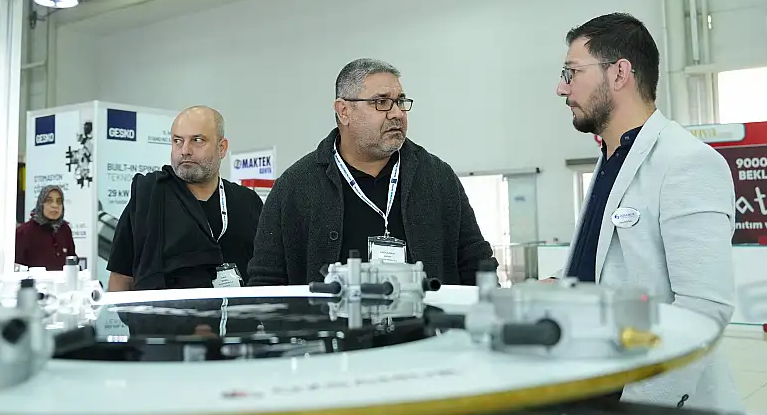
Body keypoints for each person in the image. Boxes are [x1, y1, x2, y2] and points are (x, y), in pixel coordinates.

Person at [556, 13, 745, 415]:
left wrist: (647, 409)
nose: (562, 87)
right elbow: (614, 272)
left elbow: (706, 305)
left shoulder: (687, 162)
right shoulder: (611, 162)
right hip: (602, 404)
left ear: (619, 73)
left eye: (572, 71)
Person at [249, 58, 493, 286]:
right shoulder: (295, 186)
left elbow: (476, 263)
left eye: (400, 102)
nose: (397, 113)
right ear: (344, 111)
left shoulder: (437, 177)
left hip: (424, 319)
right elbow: (266, 281)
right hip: (330, 320)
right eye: (381, 102)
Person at [106, 106, 263, 291]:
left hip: (238, 310)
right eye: (177, 141)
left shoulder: (248, 202)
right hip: (163, 310)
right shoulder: (148, 198)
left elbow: (264, 273)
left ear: (222, 148)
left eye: (197, 140)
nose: (185, 150)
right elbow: (121, 276)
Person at [15, 185, 78, 271]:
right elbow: (16, 268)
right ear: (41, 204)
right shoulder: (24, 232)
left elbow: (72, 261)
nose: (55, 205)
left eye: (59, 201)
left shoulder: (64, 229)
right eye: (49, 201)